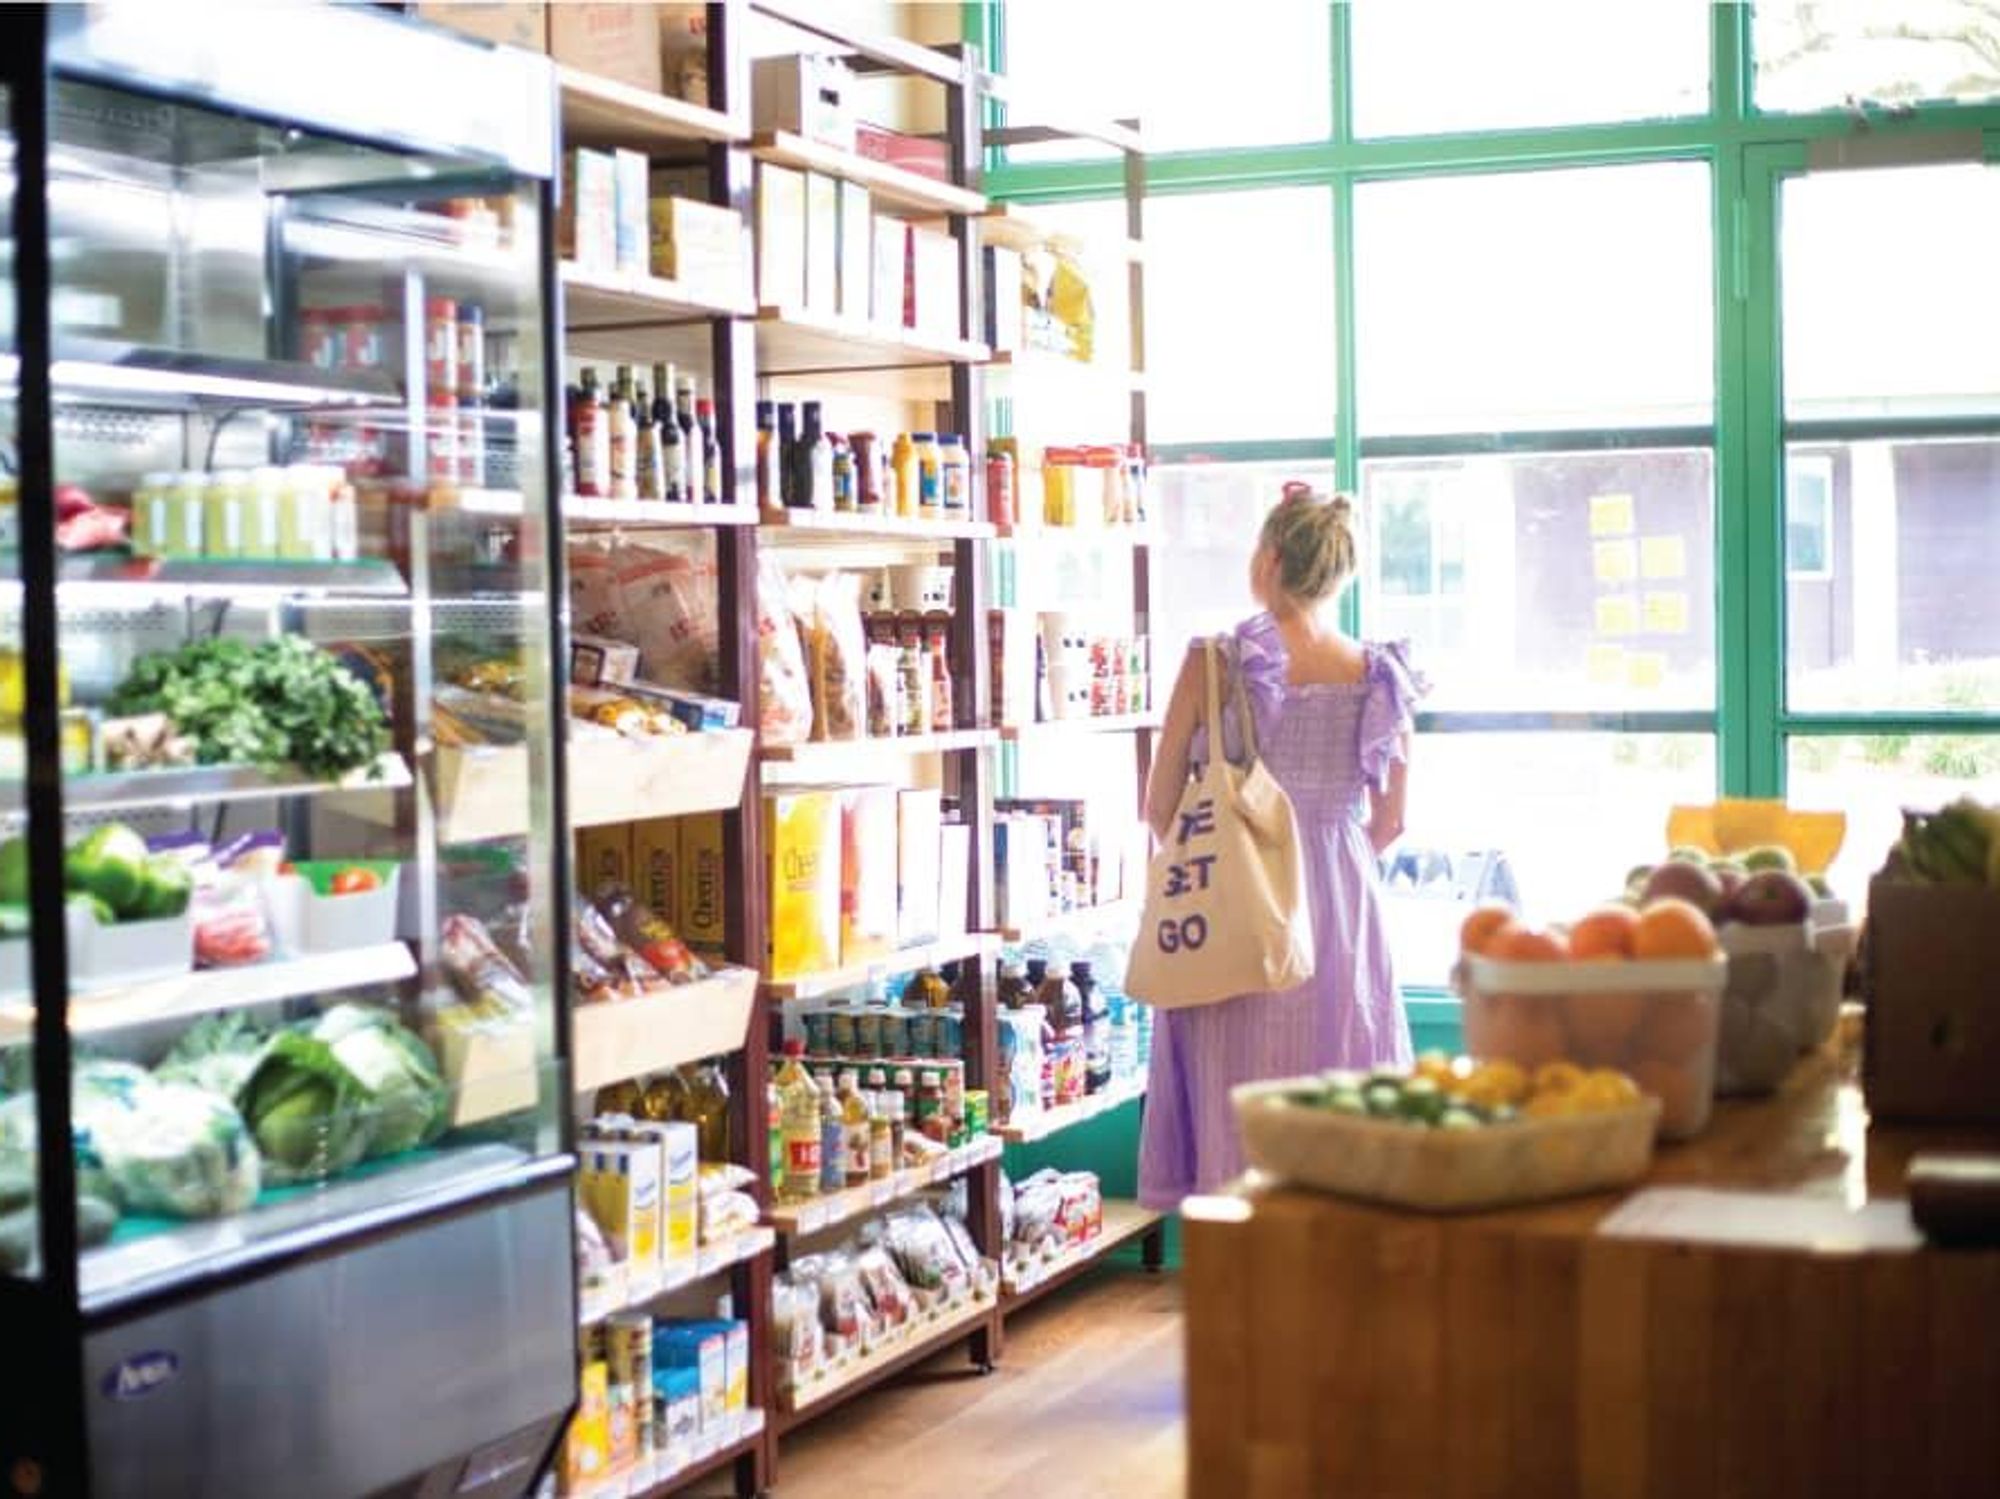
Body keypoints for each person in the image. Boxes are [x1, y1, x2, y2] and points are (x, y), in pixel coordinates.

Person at [1137, 483, 1424, 1208]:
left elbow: (1159, 802)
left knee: (1239, 1089)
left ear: (1266, 560)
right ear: (1337, 574)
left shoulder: (1214, 663)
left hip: (1237, 902)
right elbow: (1391, 820)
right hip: (1341, 903)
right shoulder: (1380, 674)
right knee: (1343, 1082)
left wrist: (1238, 849)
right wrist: (1323, 852)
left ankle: (1247, 1281)